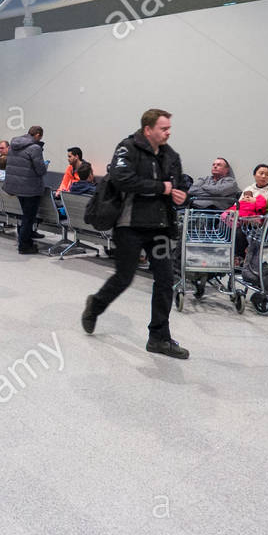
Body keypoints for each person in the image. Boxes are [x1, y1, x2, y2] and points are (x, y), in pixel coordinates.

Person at [81, 108, 190, 360]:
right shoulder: (127, 148)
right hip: (129, 226)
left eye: (169, 128)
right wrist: (160, 188)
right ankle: (95, 306)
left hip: (160, 228)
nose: (168, 133)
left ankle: (159, 337)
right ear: (148, 129)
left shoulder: (171, 155)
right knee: (124, 277)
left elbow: (180, 184)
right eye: (163, 128)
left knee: (165, 279)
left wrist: (182, 195)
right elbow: (122, 179)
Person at [4, 125, 49, 254]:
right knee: (29, 217)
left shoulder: (14, 145)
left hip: (16, 186)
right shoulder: (35, 148)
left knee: (25, 215)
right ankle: (24, 245)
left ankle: (27, 239)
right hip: (30, 188)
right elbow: (40, 170)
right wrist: (44, 166)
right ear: (38, 135)